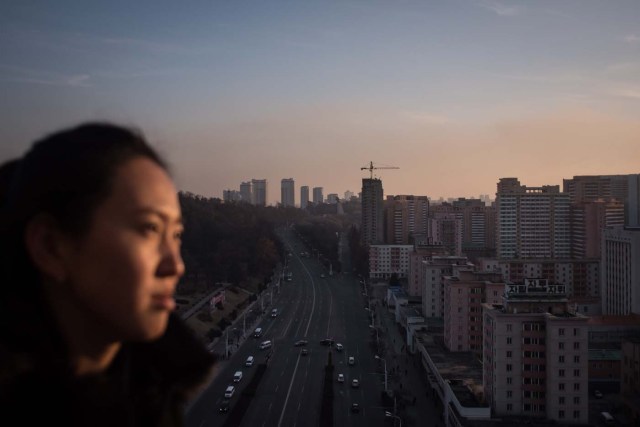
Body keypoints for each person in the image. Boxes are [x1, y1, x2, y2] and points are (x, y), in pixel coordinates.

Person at [0, 123, 216, 426]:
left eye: (176, 234)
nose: (175, 265)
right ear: (51, 247)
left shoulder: (154, 396)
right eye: (149, 228)